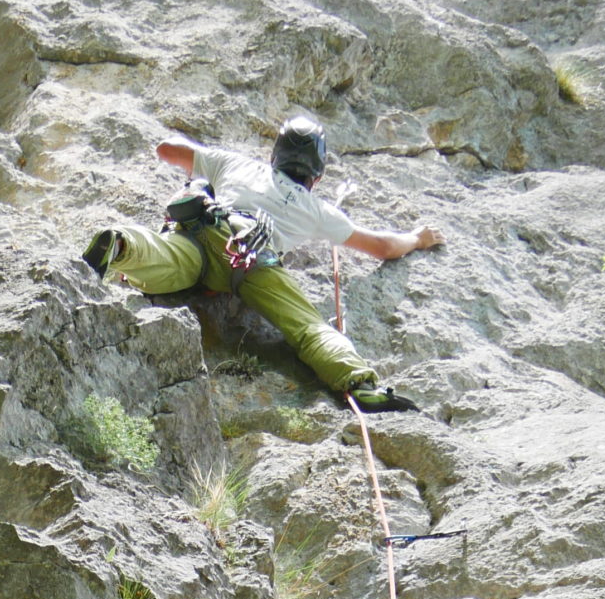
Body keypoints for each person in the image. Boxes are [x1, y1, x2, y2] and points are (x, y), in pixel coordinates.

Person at [82, 112, 443, 411]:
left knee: (169, 261)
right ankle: (360, 385)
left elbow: (167, 149)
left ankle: (123, 245)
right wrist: (418, 238)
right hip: (252, 254)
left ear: (275, 157)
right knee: (306, 325)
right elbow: (382, 246)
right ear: (315, 177)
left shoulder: (238, 165)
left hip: (205, 228)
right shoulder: (316, 209)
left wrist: (200, 167)